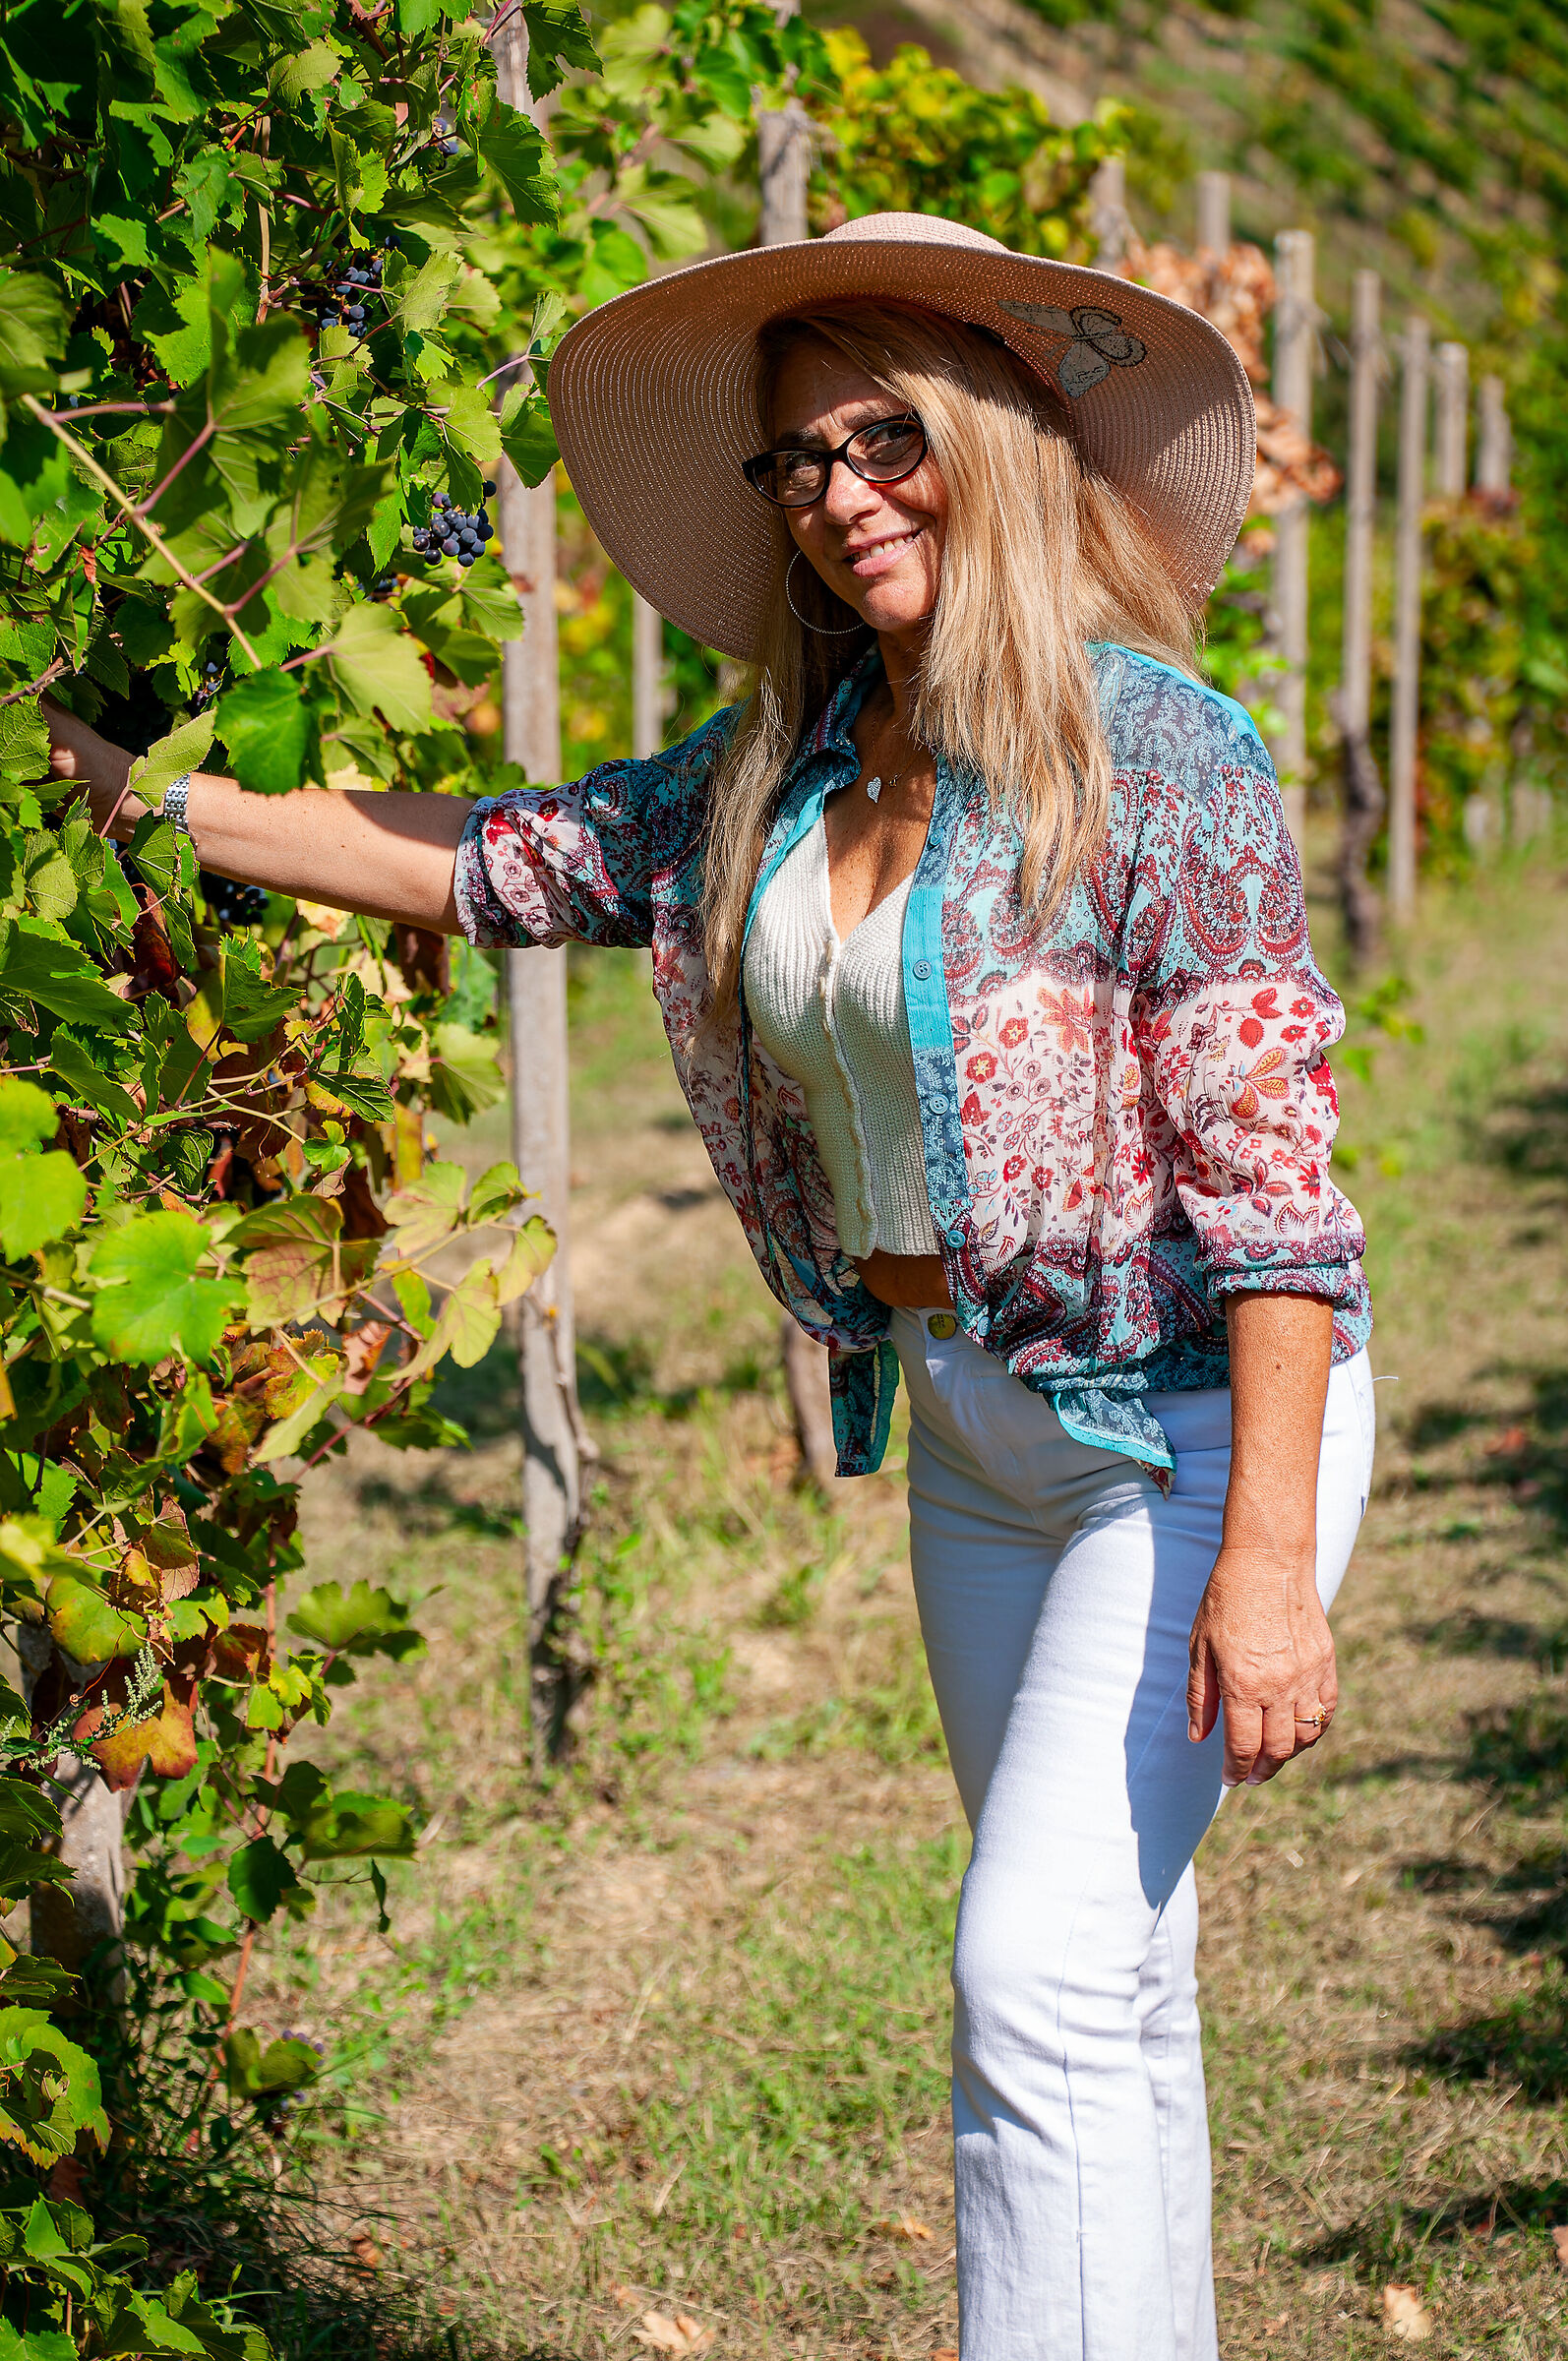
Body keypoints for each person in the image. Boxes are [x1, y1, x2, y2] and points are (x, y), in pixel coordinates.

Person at [48, 212, 1374, 2361]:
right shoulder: (770, 775)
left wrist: (1266, 1572)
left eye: (882, 436)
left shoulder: (1161, 758)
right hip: (967, 1430)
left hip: (1184, 1431)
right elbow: (460, 859)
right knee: (1100, 1986)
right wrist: (129, 799)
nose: (840, 492)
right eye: (794, 462)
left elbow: (1278, 1198)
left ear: (997, 440)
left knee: (1031, 1971)